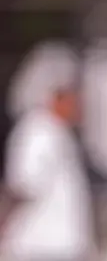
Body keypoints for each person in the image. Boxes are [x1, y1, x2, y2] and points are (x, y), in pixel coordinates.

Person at [0, 42, 96, 261]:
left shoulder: (56, 131)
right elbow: (23, 185)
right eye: (71, 94)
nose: (78, 102)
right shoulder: (38, 131)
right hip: (42, 248)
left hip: (61, 248)